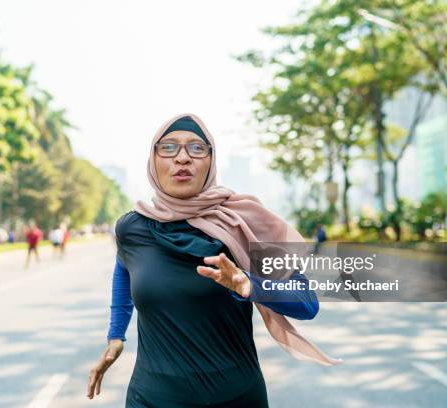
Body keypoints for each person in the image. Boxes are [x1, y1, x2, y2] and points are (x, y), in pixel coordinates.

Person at [88, 114, 341, 407]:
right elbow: (125, 273)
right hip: (152, 398)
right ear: (153, 160)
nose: (182, 158)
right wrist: (116, 335)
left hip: (236, 397)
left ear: (211, 161)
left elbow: (307, 303)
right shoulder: (133, 228)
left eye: (197, 148)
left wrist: (249, 285)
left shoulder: (243, 223)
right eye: (168, 148)